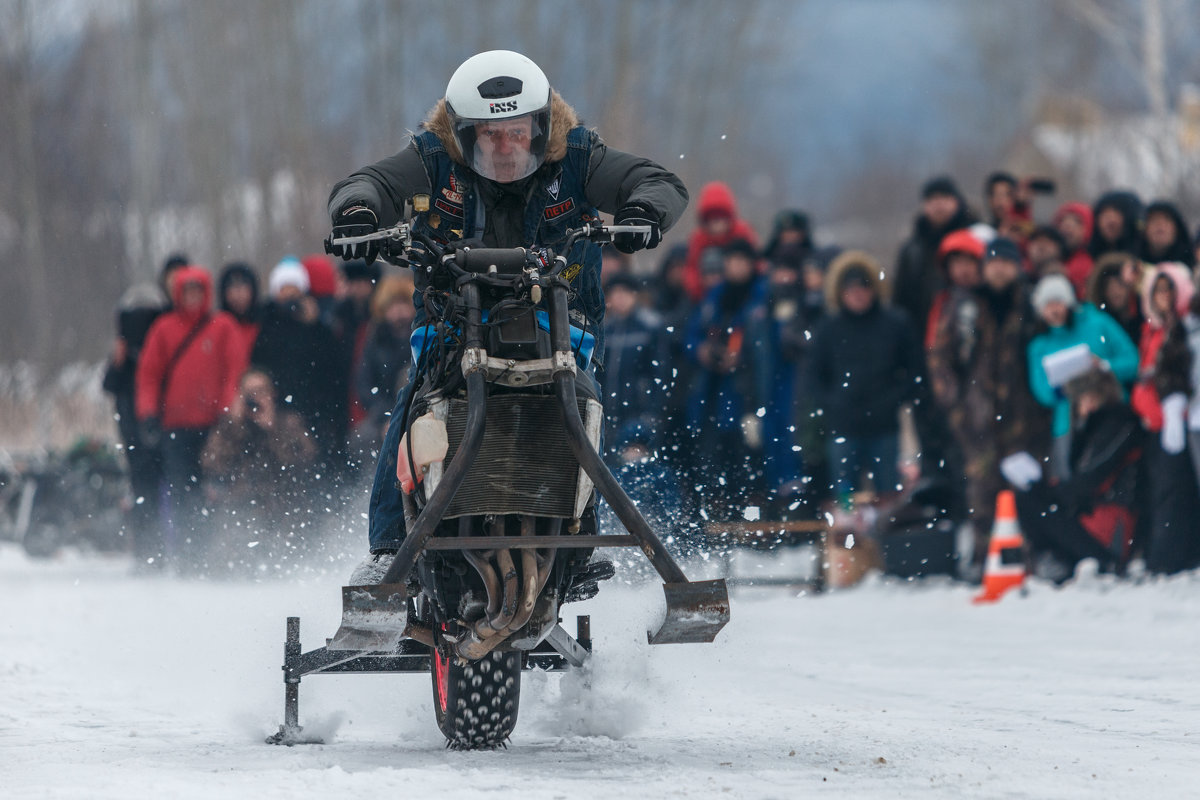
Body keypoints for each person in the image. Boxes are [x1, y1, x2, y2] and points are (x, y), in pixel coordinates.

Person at [324, 50, 688, 581]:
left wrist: (642, 212)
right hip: (452, 322)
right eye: (490, 134)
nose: (505, 145)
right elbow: (368, 184)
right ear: (463, 133)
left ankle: (579, 541)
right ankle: (387, 551)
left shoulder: (578, 156)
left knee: (581, 400)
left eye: (517, 131)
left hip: (559, 321)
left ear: (541, 126)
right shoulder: (433, 158)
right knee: (412, 405)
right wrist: (358, 214)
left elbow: (659, 182)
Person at [927, 238, 1050, 561]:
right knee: (982, 492)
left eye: (1006, 263)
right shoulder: (965, 307)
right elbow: (940, 358)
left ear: (1017, 267)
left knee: (1027, 490)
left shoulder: (1031, 304)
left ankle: (1028, 557)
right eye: (993, 262)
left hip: (1026, 419)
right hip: (976, 418)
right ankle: (984, 558)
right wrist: (955, 405)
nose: (999, 270)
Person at [135, 265, 247, 568]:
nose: (193, 297)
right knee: (182, 492)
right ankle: (187, 555)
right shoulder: (164, 328)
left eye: (198, 291)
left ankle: (213, 554)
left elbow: (233, 371)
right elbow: (149, 375)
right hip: (175, 427)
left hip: (214, 428)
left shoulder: (222, 326)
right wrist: (147, 414)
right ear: (178, 294)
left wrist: (227, 412)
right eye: (188, 291)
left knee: (214, 492)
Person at [1003, 368, 1143, 580]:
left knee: (1030, 501)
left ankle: (1067, 560)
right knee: (1029, 498)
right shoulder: (1098, 427)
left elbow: (1091, 480)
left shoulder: (1118, 423)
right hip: (1092, 515)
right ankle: (1057, 559)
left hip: (1111, 525)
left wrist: (1046, 489)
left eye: (1087, 397)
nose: (1083, 406)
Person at [806, 251, 922, 501]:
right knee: (845, 494)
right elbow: (814, 376)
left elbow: (914, 369)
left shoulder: (896, 323)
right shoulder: (828, 328)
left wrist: (894, 399)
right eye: (851, 289)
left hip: (884, 425)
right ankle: (847, 536)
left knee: (888, 493)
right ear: (840, 292)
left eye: (863, 287)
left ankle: (887, 536)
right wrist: (833, 404)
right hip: (844, 426)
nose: (858, 294)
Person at [685, 239, 781, 519]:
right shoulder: (715, 295)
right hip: (713, 393)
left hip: (748, 393)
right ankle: (718, 521)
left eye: (742, 261)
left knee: (749, 457)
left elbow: (770, 348)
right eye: (731, 261)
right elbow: (692, 335)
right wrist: (703, 351)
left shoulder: (762, 295)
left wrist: (742, 356)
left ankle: (755, 523)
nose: (736, 267)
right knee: (714, 459)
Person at [201, 368, 318, 573]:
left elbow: (305, 461)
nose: (256, 399)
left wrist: (272, 429)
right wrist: (235, 425)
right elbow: (212, 463)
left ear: (273, 393)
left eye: (261, 391)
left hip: (283, 504)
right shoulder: (229, 425)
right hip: (240, 505)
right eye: (250, 393)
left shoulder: (289, 422)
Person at [1026, 273, 1139, 478]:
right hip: (1069, 426)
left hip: (1112, 416)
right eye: (1047, 305)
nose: (1054, 310)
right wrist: (1070, 390)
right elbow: (1042, 391)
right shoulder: (1039, 346)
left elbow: (1132, 361)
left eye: (1058, 302)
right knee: (1076, 485)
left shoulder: (1097, 323)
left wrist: (1103, 366)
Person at [1129, 263, 1200, 574]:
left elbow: (1175, 371)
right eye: (1158, 290)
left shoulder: (1180, 328)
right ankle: (1163, 557)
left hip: (1178, 423)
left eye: (1169, 290)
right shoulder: (1152, 329)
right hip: (1158, 425)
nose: (1164, 297)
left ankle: (1168, 559)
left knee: (1173, 493)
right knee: (1162, 492)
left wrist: (1173, 408)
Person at [251, 258, 347, 474]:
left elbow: (332, 363)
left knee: (318, 461)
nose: (289, 295)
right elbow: (258, 364)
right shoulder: (267, 323)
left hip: (315, 406)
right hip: (280, 406)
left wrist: (314, 324)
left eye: (294, 289)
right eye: (284, 289)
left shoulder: (316, 324)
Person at [102, 283, 168, 568]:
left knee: (158, 489)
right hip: (132, 427)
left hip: (159, 424)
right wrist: (117, 361)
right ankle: (146, 551)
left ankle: (161, 549)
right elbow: (109, 385)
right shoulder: (125, 352)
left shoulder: (161, 346)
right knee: (143, 490)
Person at [601, 274, 665, 457]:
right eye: (615, 294)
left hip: (638, 412)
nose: (620, 298)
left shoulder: (649, 327)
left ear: (634, 295)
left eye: (625, 293)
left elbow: (659, 373)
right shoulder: (606, 330)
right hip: (609, 410)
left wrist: (652, 413)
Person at [355, 274, 416, 445]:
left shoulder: (420, 336)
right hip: (382, 415)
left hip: (417, 411)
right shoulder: (375, 339)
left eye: (403, 303)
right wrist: (387, 417)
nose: (399, 310)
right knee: (361, 438)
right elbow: (364, 384)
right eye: (393, 305)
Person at [681, 181, 760, 302]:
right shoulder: (699, 239)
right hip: (706, 296)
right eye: (712, 219)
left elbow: (756, 263)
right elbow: (692, 268)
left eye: (721, 217)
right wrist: (698, 291)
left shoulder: (742, 233)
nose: (717, 224)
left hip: (741, 293)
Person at [1086, 252, 1145, 347]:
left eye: (1120, 284)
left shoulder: (1144, 313)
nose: (1115, 292)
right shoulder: (1101, 321)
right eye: (1108, 286)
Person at [217, 261, 262, 364]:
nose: (238, 294)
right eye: (232, 288)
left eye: (243, 287)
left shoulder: (266, 323)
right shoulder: (217, 327)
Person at [1088, 190, 1144, 263]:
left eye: (1116, 213)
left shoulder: (1144, 255)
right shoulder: (1086, 259)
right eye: (1105, 214)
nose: (1111, 220)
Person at [1053, 202, 1095, 298]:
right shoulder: (1052, 258)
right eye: (1062, 220)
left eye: (1077, 222)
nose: (1068, 225)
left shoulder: (1085, 265)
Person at [1140, 200, 1196, 268]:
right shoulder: (1132, 268)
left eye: (1167, 219)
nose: (1160, 224)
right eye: (1154, 219)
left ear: (1177, 228)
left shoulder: (1193, 265)